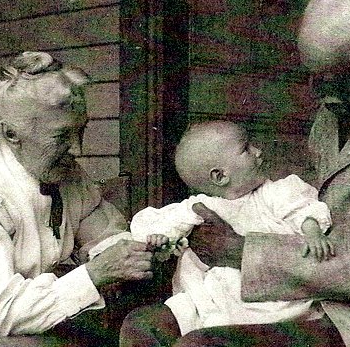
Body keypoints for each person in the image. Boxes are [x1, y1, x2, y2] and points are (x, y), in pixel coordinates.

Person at [120, 0, 350, 347]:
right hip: (290, 286)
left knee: (201, 345)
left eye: (329, 78)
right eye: (310, 74)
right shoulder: (333, 113)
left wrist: (239, 249)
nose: (314, 91)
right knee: (144, 327)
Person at [0, 51, 155, 347]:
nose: (78, 150)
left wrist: (113, 250)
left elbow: (99, 224)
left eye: (80, 131)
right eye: (61, 137)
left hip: (23, 305)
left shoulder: (62, 168)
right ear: (10, 133)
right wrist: (97, 272)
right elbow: (4, 315)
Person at [130, 120, 336, 336]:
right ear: (220, 176)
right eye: (246, 149)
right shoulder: (204, 206)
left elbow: (303, 210)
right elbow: (162, 221)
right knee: (152, 324)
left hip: (273, 299)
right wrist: (159, 237)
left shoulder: (276, 192)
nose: (258, 151)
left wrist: (313, 232)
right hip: (220, 297)